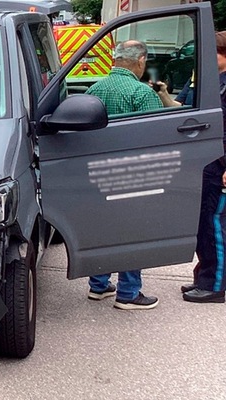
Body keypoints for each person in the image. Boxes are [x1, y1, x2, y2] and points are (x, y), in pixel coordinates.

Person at [84, 40, 163, 310]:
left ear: (115, 59)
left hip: (97, 174)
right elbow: (154, 139)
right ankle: (129, 293)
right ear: (141, 61)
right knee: (132, 231)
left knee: (101, 228)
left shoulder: (94, 89)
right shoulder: (142, 94)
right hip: (131, 175)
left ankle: (99, 285)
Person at [182, 31, 226, 303]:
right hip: (207, 161)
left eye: (214, 53)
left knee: (215, 227)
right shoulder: (215, 82)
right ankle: (203, 276)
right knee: (203, 226)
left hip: (220, 165)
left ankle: (215, 285)